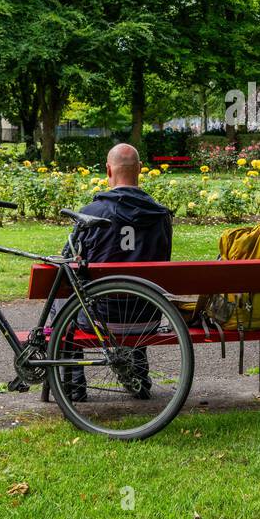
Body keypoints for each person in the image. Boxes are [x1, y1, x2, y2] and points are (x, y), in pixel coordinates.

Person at [63, 143, 173, 401]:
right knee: (137, 290)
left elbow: (68, 264)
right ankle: (137, 377)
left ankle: (73, 385)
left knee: (62, 302)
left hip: (99, 320)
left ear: (108, 170)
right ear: (140, 170)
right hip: (147, 318)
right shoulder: (160, 216)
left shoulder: (91, 213)